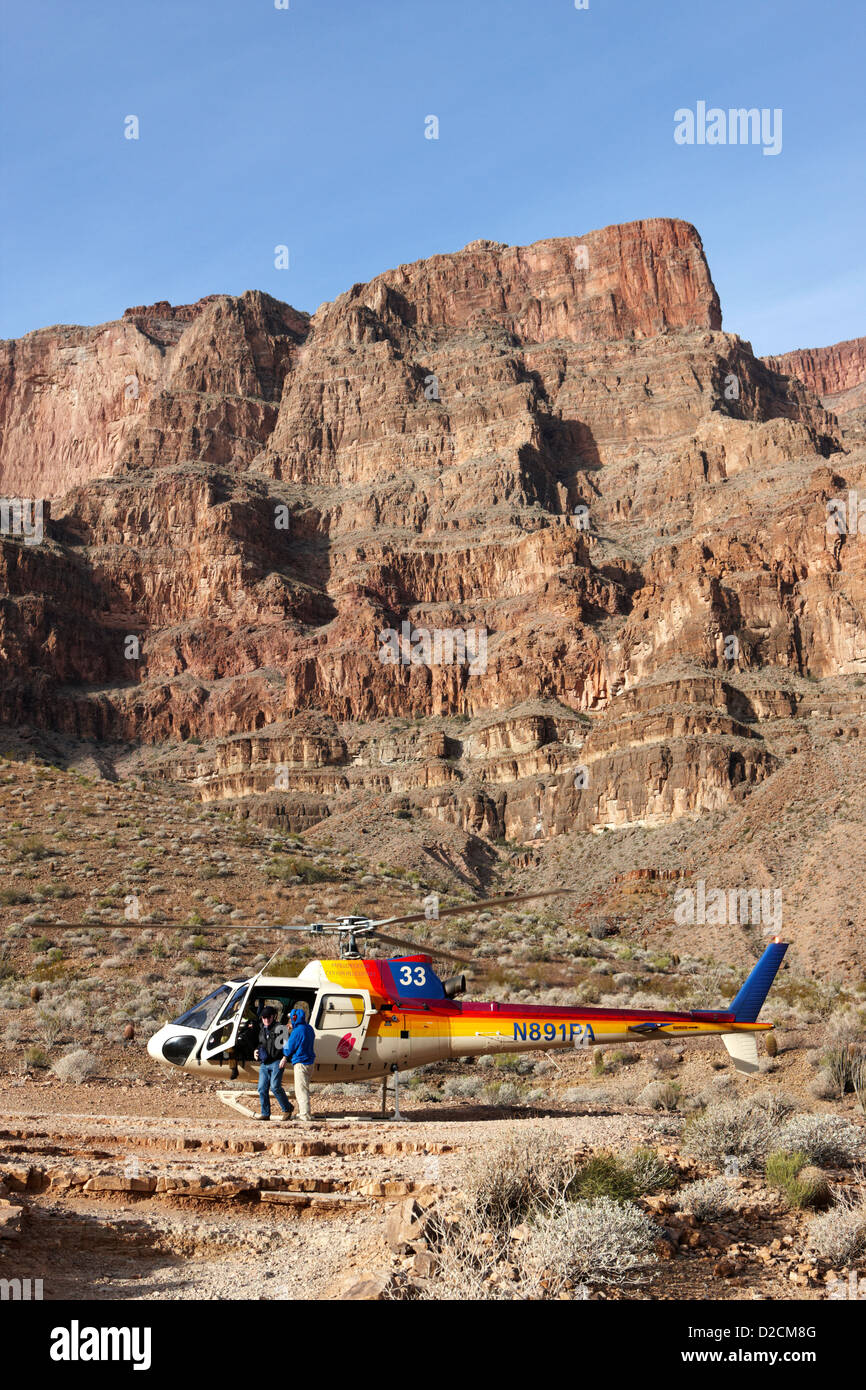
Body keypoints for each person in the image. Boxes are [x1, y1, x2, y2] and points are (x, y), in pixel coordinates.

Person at [279, 1001, 316, 1122]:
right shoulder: (309, 1028)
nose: (290, 1021)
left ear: (295, 1018)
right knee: (304, 1088)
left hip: (301, 1063)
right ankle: (305, 1113)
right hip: (310, 1062)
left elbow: (289, 1047)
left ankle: (304, 1115)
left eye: (291, 1019)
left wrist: (284, 1055)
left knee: (301, 1090)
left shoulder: (297, 1031)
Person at [255, 1005, 293, 1121]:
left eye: (268, 1017)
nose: (266, 1019)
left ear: (273, 1017)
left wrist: (285, 1058)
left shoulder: (280, 1028)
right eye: (264, 1017)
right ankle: (265, 1113)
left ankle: (287, 1109)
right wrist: (256, 1051)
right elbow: (261, 1044)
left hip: (277, 1061)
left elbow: (286, 1045)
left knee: (275, 1087)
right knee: (261, 1088)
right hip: (265, 1063)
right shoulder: (262, 1029)